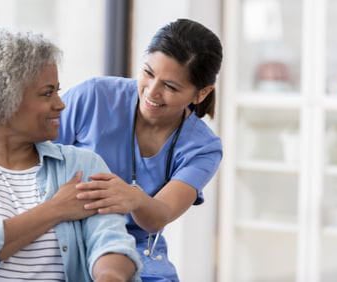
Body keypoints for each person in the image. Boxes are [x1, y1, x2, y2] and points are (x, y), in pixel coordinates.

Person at [0, 28, 141, 282]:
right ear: (3, 102)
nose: (60, 104)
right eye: (47, 93)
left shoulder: (83, 165)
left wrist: (110, 277)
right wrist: (55, 209)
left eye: (57, 90)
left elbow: (111, 242)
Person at [55, 18, 223, 281]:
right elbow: (33, 158)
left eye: (170, 86)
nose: (152, 92)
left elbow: (159, 216)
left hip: (139, 252)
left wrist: (134, 198)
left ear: (201, 94)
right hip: (66, 235)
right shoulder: (94, 97)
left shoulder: (203, 147)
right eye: (148, 73)